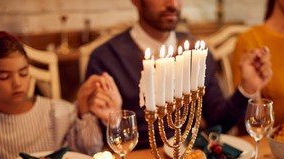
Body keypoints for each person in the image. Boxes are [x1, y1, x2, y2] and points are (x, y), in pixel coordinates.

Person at [84, 0, 272, 149]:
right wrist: (110, 119)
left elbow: (218, 123)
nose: (172, 4)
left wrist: (247, 88)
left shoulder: (197, 54)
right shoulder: (106, 58)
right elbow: (97, 140)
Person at [0, 31, 120, 159]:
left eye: (23, 73)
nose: (17, 83)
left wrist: (83, 109)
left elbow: (89, 153)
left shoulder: (56, 113)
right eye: (5, 76)